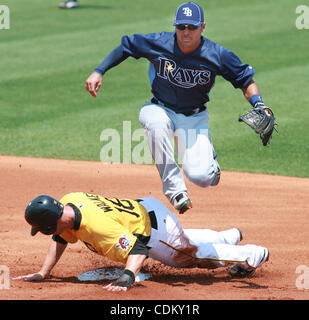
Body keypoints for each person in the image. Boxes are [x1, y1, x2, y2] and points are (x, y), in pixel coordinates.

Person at [85, 2, 273, 214]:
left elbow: (245, 80)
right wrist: (99, 71)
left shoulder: (217, 54)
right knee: (154, 122)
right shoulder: (159, 42)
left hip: (194, 118)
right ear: (175, 26)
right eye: (181, 26)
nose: (185, 31)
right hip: (159, 108)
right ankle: (176, 192)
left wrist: (259, 103)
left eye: (191, 27)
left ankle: (211, 166)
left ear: (202, 27)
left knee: (201, 178)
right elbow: (127, 46)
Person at [14, 192, 269, 291]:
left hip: (153, 232)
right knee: (184, 241)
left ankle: (250, 255)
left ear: (51, 222)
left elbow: (139, 247)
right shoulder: (69, 202)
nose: (47, 233)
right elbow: (61, 238)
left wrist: (127, 277)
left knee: (190, 258)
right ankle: (227, 236)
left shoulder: (98, 228)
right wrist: (44, 272)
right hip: (145, 209)